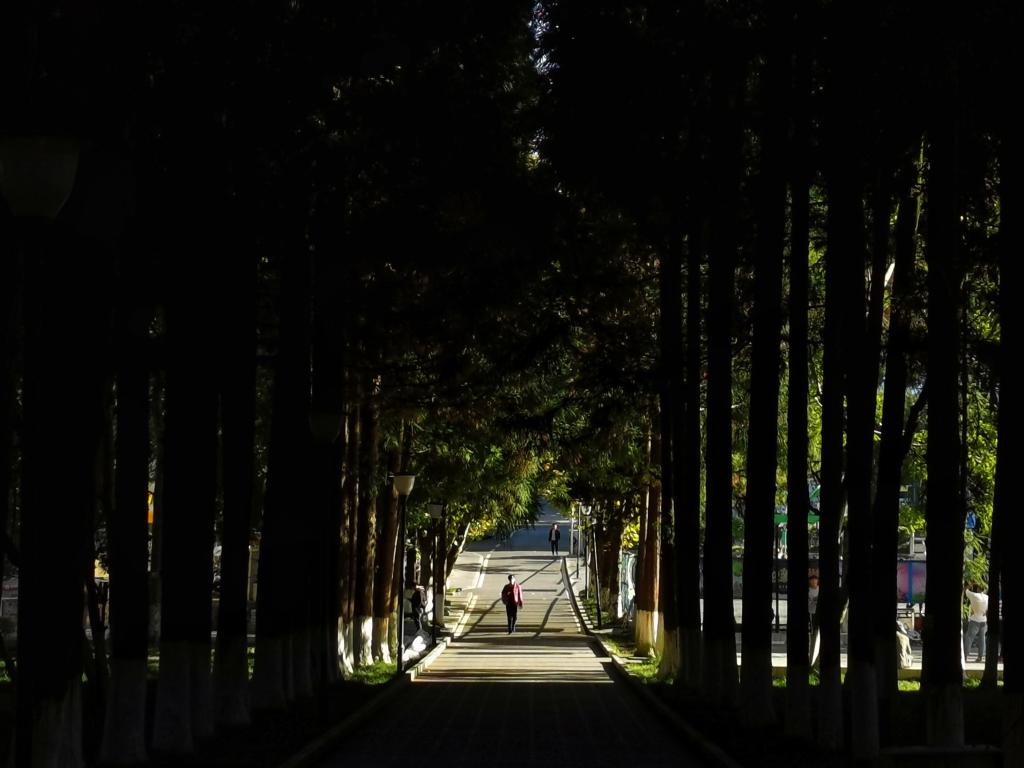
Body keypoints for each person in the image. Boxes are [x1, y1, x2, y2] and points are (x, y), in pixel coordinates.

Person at [964, 583, 988, 662]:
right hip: (984, 620)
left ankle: (965, 656)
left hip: (974, 620)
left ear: (978, 589)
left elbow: (965, 590)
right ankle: (980, 657)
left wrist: (970, 584)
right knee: (982, 639)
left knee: (969, 638)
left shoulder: (973, 595)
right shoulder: (987, 597)